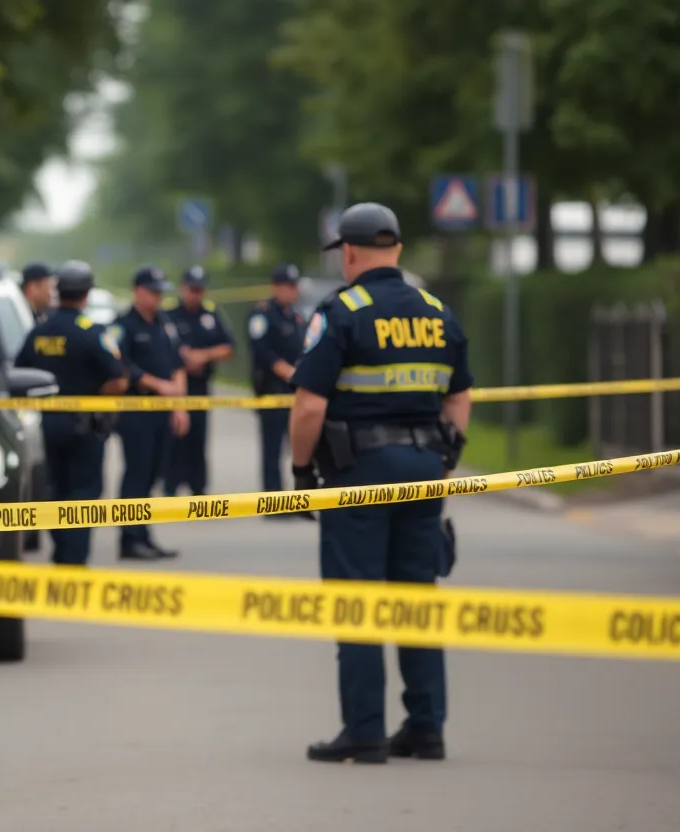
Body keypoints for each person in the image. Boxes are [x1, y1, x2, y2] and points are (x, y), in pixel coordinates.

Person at [288, 202, 473, 764]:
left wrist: (301, 474)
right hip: (424, 470)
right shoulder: (438, 311)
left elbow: (308, 408)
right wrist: (444, 458)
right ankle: (425, 727)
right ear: (396, 249)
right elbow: (460, 395)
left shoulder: (341, 311)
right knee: (417, 598)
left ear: (348, 251)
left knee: (357, 600)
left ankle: (365, 731)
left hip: (359, 476)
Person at [14, 260, 128, 565]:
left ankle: (61, 550)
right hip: (84, 428)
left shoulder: (39, 333)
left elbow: (18, 375)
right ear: (86, 294)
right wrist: (93, 395)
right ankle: (74, 561)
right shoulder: (91, 333)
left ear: (57, 291)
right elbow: (118, 379)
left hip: (45, 427)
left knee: (54, 489)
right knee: (83, 492)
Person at [108, 265, 189, 560]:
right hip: (136, 410)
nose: (157, 298)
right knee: (136, 473)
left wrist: (180, 405)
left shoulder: (164, 324)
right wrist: (157, 385)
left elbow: (177, 364)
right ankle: (129, 538)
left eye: (160, 293)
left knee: (153, 473)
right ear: (138, 291)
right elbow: (121, 365)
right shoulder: (124, 326)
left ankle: (144, 533)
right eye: (152, 292)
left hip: (162, 412)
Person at [163, 265, 235, 496]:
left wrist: (204, 356)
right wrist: (181, 356)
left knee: (198, 438)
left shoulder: (211, 315)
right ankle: (170, 487)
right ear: (183, 288)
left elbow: (228, 347)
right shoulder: (169, 315)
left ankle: (198, 488)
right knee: (174, 438)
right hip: (174, 387)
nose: (196, 293)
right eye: (192, 289)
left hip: (200, 385)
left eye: (199, 289)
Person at [247, 263, 310, 517]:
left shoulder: (296, 317)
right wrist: (287, 371)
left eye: (294, 286)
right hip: (272, 390)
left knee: (300, 448)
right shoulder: (262, 315)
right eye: (287, 286)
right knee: (272, 449)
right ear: (276, 287)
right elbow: (261, 351)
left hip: (296, 393)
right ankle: (273, 503)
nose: (291, 291)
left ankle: (299, 499)